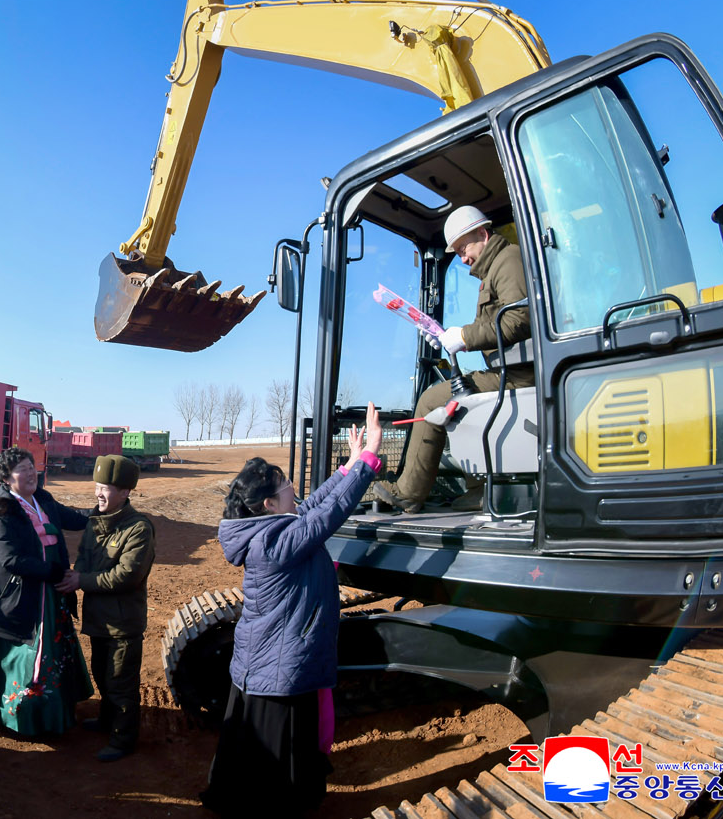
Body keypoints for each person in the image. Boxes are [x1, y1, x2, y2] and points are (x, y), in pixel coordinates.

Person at [201, 403, 383, 817]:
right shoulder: (272, 541)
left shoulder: (270, 526)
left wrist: (349, 466)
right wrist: (370, 458)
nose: (292, 489)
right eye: (284, 485)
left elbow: (314, 505)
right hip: (280, 664)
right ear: (268, 503)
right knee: (277, 762)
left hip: (270, 657)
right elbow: (326, 517)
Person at [371, 205, 534, 513]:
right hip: (512, 372)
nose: (462, 258)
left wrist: (463, 337)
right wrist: (450, 337)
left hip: (520, 376)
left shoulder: (508, 261)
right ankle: (479, 489)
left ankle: (408, 492)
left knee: (432, 401)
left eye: (464, 248)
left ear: (483, 235)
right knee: (460, 395)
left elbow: (519, 320)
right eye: (457, 252)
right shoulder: (496, 268)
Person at [0, 447, 92, 735]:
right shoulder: (0, 508)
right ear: (6, 478)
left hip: (50, 593)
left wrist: (103, 510)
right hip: (21, 595)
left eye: (31, 466)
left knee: (52, 650)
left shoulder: (42, 498)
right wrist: (55, 572)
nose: (30, 473)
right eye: (21, 469)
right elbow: (10, 559)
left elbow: (74, 518)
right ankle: (25, 718)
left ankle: (55, 712)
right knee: (27, 655)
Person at [56, 454, 155, 762]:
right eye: (97, 486)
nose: (99, 493)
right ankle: (109, 721)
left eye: (107, 488)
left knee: (121, 681)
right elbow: (84, 556)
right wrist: (78, 574)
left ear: (125, 492)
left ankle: (123, 739)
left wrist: (82, 579)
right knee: (102, 672)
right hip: (100, 619)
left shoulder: (138, 528)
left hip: (123, 623)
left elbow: (127, 575)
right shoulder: (96, 522)